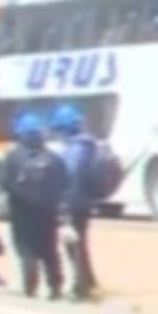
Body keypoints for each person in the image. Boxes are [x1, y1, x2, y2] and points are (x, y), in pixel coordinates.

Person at [0, 112, 73, 300]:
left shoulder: (12, 157)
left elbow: (3, 183)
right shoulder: (53, 158)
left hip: (22, 213)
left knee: (26, 250)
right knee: (49, 250)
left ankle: (30, 287)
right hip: (48, 213)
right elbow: (65, 184)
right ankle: (55, 286)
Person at [50, 104, 99, 301]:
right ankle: (88, 280)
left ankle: (82, 288)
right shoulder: (89, 145)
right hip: (86, 203)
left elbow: (69, 181)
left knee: (73, 246)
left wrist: (63, 210)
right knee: (81, 243)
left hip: (73, 205)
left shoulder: (73, 151)